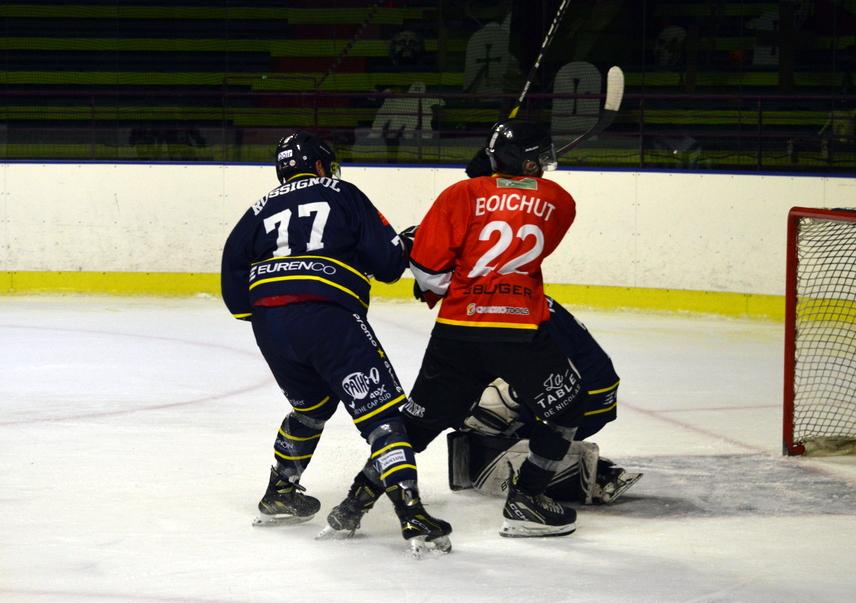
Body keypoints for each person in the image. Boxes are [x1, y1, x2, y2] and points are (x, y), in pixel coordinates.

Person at [324, 119, 586, 539]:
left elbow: (429, 270)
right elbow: (521, 212)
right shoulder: (561, 201)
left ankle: (354, 503)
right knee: (569, 407)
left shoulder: (461, 194)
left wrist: (479, 186)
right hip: (520, 330)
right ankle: (528, 499)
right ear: (530, 163)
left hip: (459, 330)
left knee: (419, 425)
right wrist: (494, 181)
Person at [220, 130, 452, 554]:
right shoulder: (342, 192)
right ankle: (412, 514)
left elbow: (235, 294)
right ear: (322, 165)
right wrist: (410, 240)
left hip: (270, 325)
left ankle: (280, 492)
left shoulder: (256, 211)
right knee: (384, 415)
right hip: (327, 317)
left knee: (311, 406)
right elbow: (386, 264)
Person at [450, 294, 642, 505]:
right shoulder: (515, 294)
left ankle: (578, 474)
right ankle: (578, 465)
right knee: (491, 398)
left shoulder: (504, 307)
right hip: (593, 391)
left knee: (493, 403)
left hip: (584, 397)